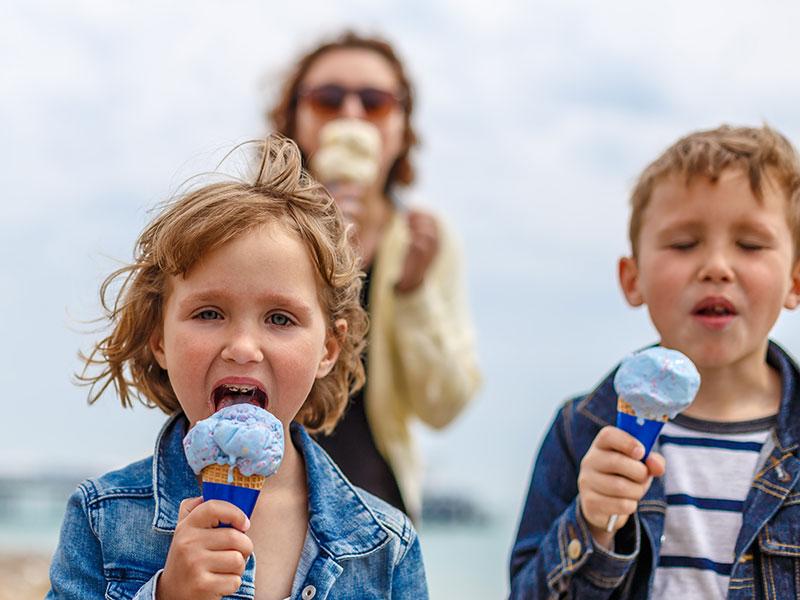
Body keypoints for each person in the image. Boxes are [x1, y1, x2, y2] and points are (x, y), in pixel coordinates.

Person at [47, 136, 428, 599]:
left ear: (328, 348)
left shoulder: (386, 545)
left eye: (280, 319)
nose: (243, 347)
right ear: (159, 340)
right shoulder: (102, 519)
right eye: (209, 313)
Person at [509, 125, 800, 599]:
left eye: (750, 245)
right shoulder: (580, 431)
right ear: (633, 279)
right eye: (684, 244)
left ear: (795, 280)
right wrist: (593, 524)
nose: (716, 267)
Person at [269, 31, 481, 521]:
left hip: (374, 504)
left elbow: (443, 405)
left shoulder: (427, 238)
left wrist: (414, 292)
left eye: (376, 102)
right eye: (327, 99)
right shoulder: (245, 226)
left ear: (403, 126)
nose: (351, 115)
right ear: (293, 119)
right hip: (256, 488)